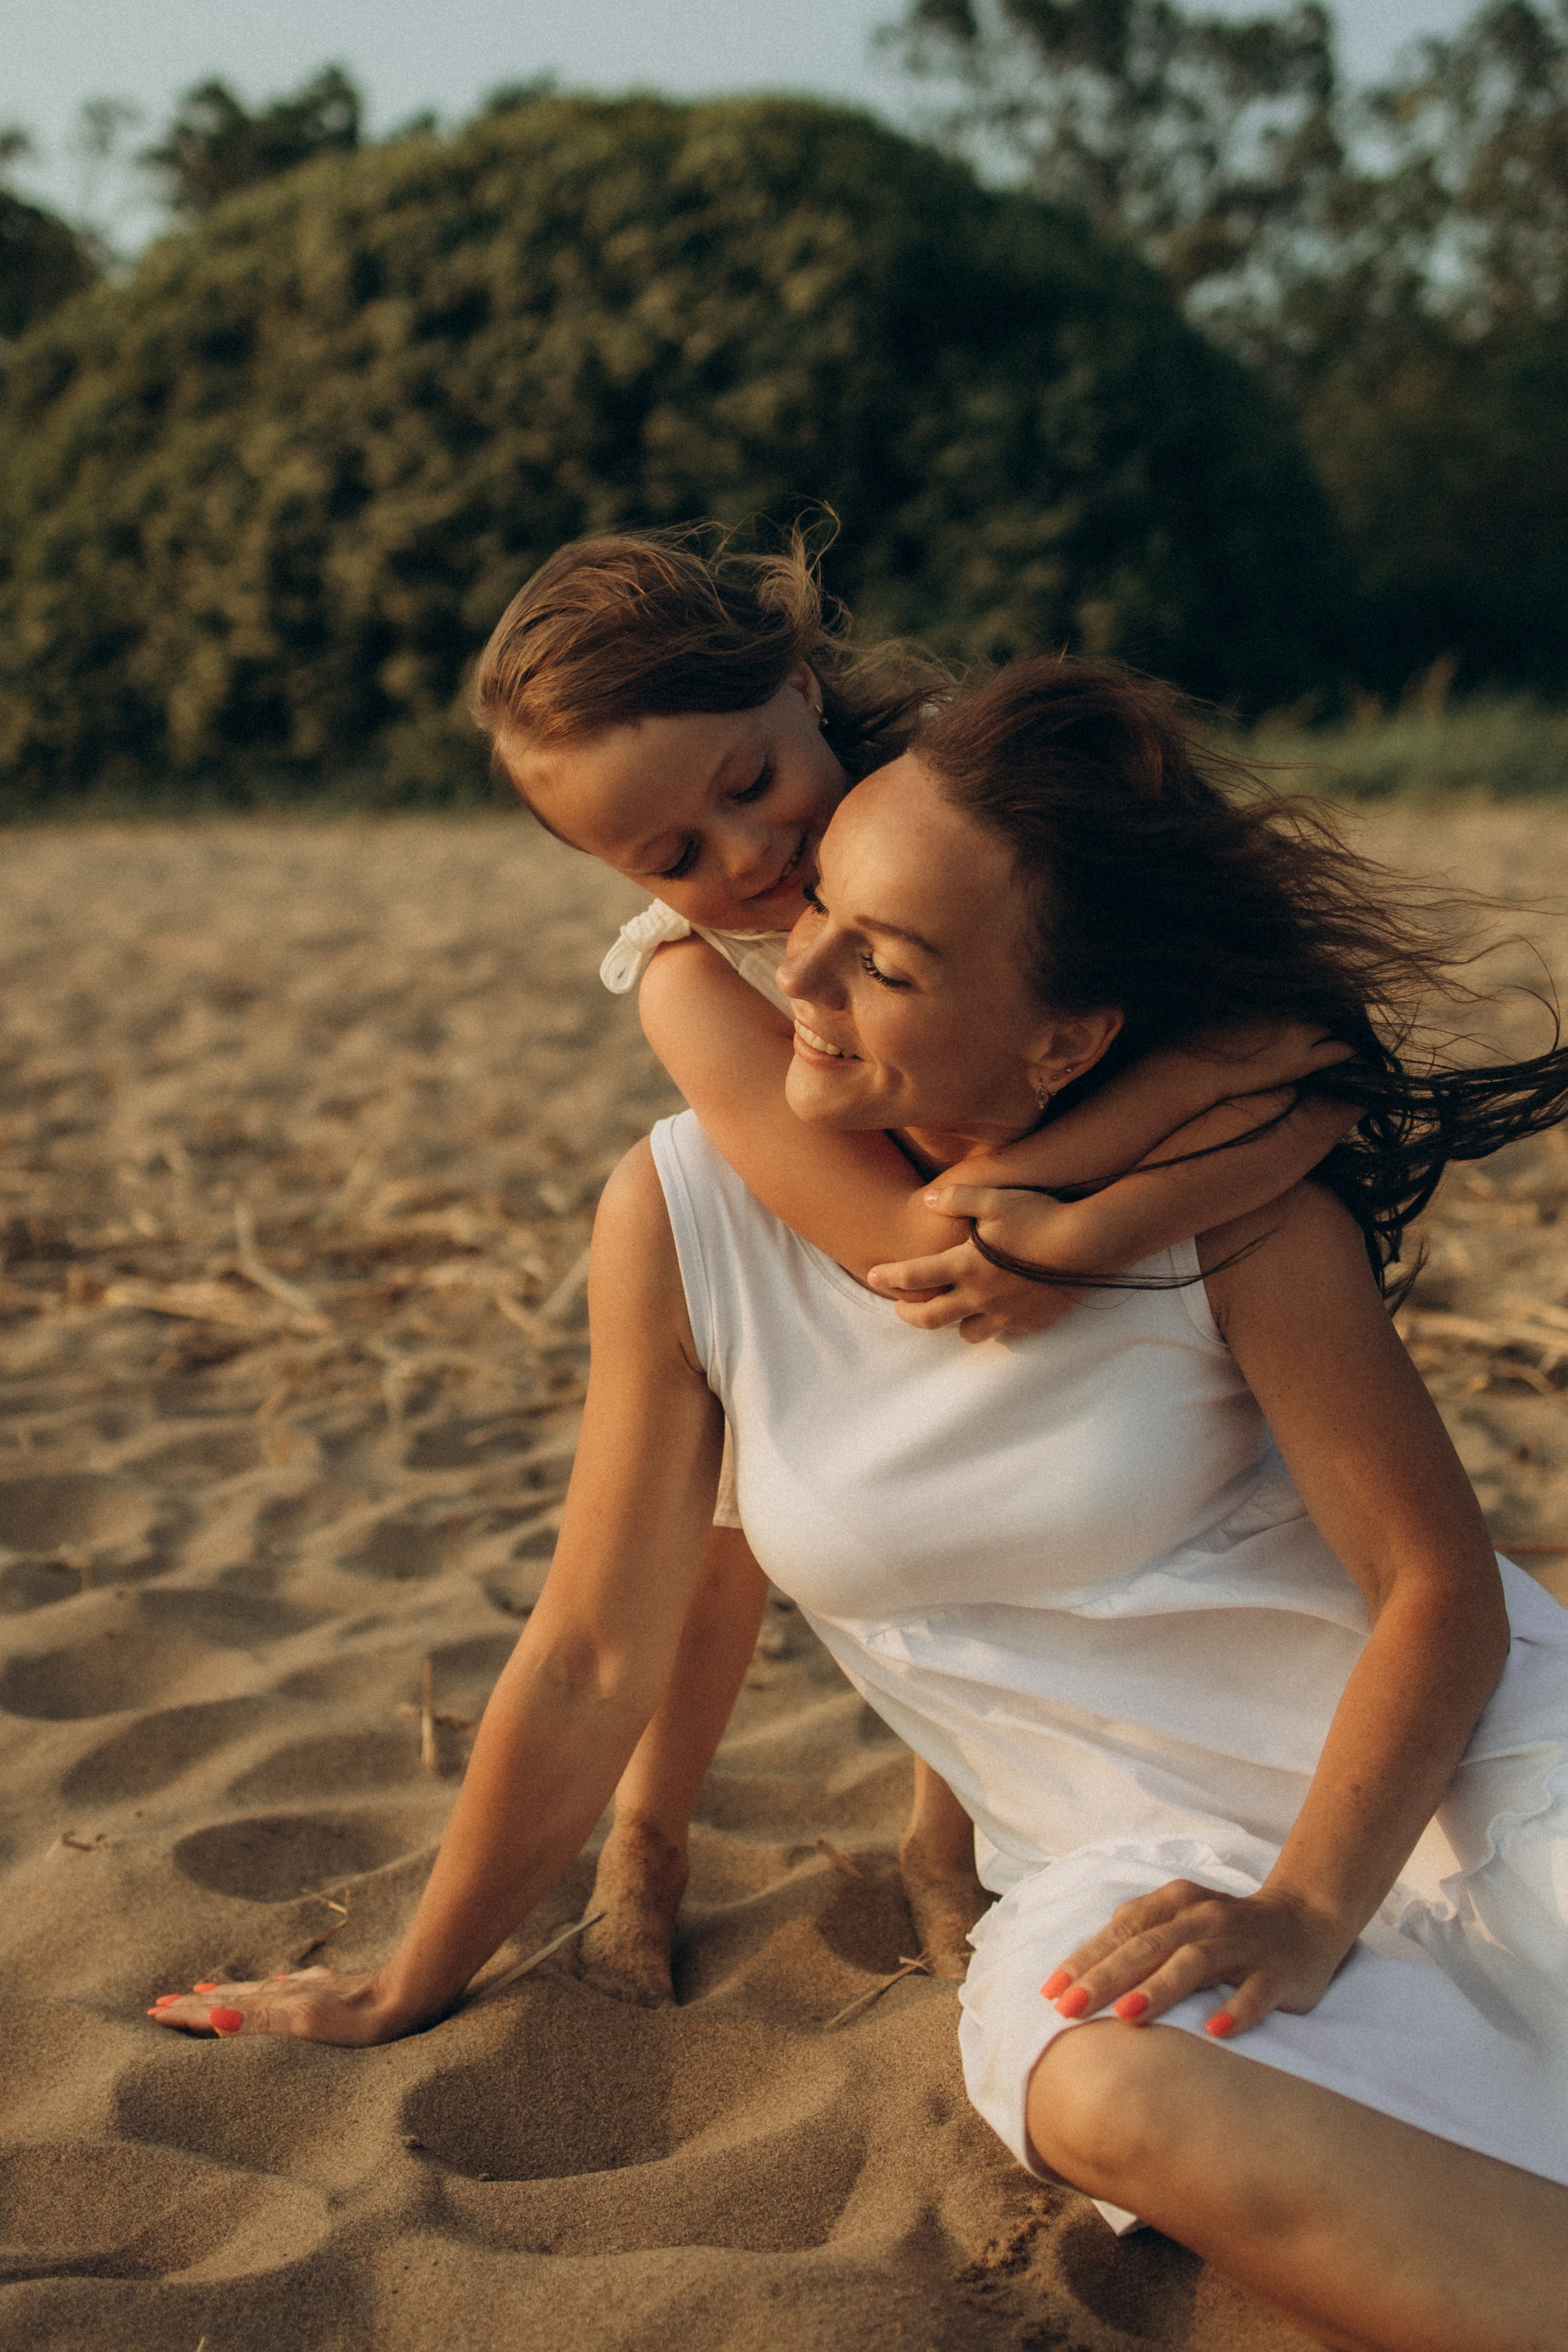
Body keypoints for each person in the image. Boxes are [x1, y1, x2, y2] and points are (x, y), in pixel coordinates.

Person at [151, 653, 1568, 2350]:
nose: (790, 966)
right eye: (806, 911)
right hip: (1121, 1859)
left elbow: (1437, 1587)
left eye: (879, 960)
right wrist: (411, 1973)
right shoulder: (685, 1215)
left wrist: (1310, 1908)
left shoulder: (1232, 1199)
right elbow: (599, 1648)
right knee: (1095, 2085)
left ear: (1068, 1037)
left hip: (1456, 1785)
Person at [458, 528, 1355, 1999]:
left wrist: (1090, 1231)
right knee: (728, 1520)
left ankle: (948, 1837)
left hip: (1049, 1194)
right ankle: (646, 1837)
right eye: (670, 856)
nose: (743, 857)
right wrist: (1076, 1214)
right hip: (846, 1221)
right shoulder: (691, 976)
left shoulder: (977, 815)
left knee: (983, 1495)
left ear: (800, 685)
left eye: (748, 785)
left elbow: (1297, 1057)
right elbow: (910, 1249)